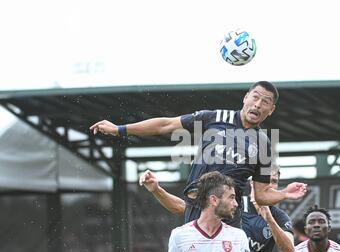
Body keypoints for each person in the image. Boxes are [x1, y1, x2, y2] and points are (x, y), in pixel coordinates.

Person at [90, 81, 307, 227]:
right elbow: (165, 125)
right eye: (255, 97)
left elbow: (260, 195)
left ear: (271, 110)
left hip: (228, 217)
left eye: (265, 102)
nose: (258, 104)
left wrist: (285, 194)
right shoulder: (214, 117)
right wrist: (120, 129)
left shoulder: (264, 144)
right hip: (197, 210)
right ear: (245, 98)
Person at [140, 167, 295, 252]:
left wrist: (269, 219)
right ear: (254, 182)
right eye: (266, 180)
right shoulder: (182, 233)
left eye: (274, 181)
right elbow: (184, 207)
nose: (270, 186)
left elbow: (288, 249)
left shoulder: (274, 217)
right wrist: (157, 190)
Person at [146, 171, 253, 252]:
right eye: (231, 197)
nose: (235, 203)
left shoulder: (238, 236)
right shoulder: (179, 235)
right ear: (213, 200)